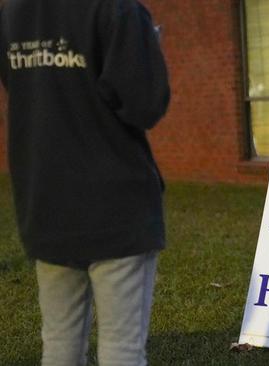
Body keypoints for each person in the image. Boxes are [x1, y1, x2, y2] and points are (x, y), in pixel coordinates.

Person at [0, 0, 170, 364]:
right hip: (117, 209)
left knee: (59, 343)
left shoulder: (13, 12)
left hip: (45, 203)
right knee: (121, 350)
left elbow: (21, 87)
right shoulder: (117, 10)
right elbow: (146, 103)